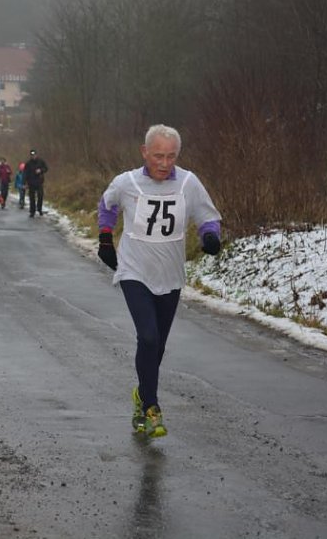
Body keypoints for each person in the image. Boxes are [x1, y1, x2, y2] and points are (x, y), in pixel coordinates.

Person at [97, 124, 222, 438]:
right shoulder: (126, 182)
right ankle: (152, 408)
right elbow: (107, 205)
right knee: (149, 337)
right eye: (158, 156)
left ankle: (140, 396)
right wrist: (104, 240)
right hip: (134, 270)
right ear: (144, 152)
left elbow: (207, 216)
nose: (164, 163)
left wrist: (210, 236)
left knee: (158, 346)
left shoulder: (189, 183)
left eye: (171, 156)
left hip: (170, 274)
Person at [23, 149, 48, 217]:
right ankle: (32, 211)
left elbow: (46, 168)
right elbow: (25, 173)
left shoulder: (41, 161)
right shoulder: (28, 163)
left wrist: (40, 170)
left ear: (36, 155)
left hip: (39, 182)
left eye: (34, 155)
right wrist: (24, 183)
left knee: (40, 196)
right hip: (31, 182)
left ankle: (39, 209)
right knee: (32, 198)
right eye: (32, 155)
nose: (33, 156)